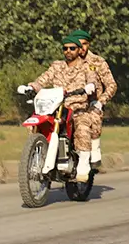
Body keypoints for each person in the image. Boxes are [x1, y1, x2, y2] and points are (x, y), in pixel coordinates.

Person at [17, 35, 100, 182]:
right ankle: (38, 156)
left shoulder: (87, 66)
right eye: (65, 48)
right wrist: (31, 87)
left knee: (82, 126)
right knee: (36, 124)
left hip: (77, 106)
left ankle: (82, 164)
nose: (68, 51)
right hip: (55, 105)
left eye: (72, 48)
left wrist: (90, 86)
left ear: (79, 50)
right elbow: (44, 79)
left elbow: (92, 79)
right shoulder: (57, 66)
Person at [71, 29, 117, 168]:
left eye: (85, 44)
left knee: (92, 115)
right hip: (70, 103)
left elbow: (111, 85)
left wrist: (101, 102)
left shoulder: (97, 61)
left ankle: (94, 148)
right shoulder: (68, 62)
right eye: (78, 45)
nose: (82, 48)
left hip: (91, 104)